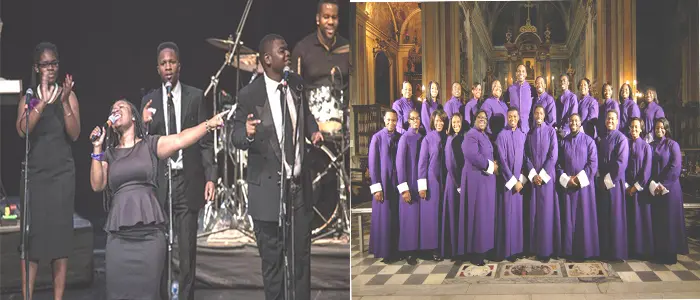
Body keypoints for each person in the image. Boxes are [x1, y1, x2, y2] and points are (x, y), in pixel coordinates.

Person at [90, 99, 225, 299]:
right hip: (119, 238)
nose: (115, 110)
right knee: (117, 293)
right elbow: (97, 185)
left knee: (148, 293)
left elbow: (180, 139)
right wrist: (96, 148)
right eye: (113, 109)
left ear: (134, 116)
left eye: (121, 107)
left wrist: (208, 124)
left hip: (149, 236)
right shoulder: (108, 154)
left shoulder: (150, 145)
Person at [231, 34, 323, 299]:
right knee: (272, 265)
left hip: (297, 191)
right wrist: (247, 133)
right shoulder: (250, 94)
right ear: (267, 59)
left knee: (301, 261)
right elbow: (235, 136)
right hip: (267, 192)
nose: (288, 53)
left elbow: (306, 115)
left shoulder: (295, 84)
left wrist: (313, 131)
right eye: (283, 50)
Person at [140, 41, 217, 300]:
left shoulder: (195, 97)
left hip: (187, 180)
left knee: (187, 251)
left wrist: (211, 177)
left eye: (172, 62)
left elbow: (205, 142)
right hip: (161, 184)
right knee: (160, 249)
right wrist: (144, 125)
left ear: (179, 66)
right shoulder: (148, 101)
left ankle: (186, 296)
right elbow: (143, 145)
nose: (168, 67)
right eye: (163, 63)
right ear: (157, 68)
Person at [15, 42, 81, 300]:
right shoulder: (28, 98)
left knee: (60, 243)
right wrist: (41, 104)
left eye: (54, 63)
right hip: (35, 177)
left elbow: (74, 134)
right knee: (30, 242)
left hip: (61, 177)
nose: (51, 69)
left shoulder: (69, 96)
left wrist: (63, 102)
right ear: (36, 67)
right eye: (46, 64)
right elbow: (23, 130)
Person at [557, 114, 599, 260]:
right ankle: (568, 251)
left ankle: (585, 250)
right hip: (569, 186)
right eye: (571, 121)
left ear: (580, 123)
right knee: (568, 219)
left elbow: (593, 163)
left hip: (583, 188)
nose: (573, 123)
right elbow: (559, 163)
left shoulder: (589, 141)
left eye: (576, 121)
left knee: (584, 219)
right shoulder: (564, 142)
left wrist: (579, 179)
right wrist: (566, 179)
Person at [460, 110, 498, 265]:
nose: (482, 120)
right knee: (478, 216)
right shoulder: (471, 134)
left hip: (485, 180)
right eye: (479, 118)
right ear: (474, 120)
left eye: (485, 118)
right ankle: (476, 253)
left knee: (485, 216)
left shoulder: (484, 136)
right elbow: (473, 155)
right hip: (476, 180)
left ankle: (485, 249)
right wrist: (491, 166)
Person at [649, 118, 688, 264]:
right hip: (655, 189)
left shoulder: (673, 145)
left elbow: (675, 166)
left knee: (670, 221)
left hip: (670, 188)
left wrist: (663, 184)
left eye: (662, 127)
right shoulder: (651, 145)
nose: (659, 130)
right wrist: (654, 184)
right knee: (658, 220)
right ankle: (659, 251)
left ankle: (671, 253)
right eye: (657, 128)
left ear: (666, 128)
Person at [525, 105, 560, 261]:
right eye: (536, 113)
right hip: (534, 179)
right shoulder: (530, 133)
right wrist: (533, 173)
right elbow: (526, 156)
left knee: (546, 214)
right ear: (533, 115)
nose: (538, 115)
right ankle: (533, 247)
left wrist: (542, 174)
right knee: (533, 213)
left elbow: (553, 155)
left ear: (545, 115)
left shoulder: (551, 131)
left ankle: (546, 250)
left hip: (546, 178)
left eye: (541, 113)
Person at [368, 110, 402, 262]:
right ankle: (385, 252)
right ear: (384, 120)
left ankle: (396, 249)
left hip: (396, 183)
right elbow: (373, 164)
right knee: (384, 218)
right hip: (383, 183)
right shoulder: (377, 138)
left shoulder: (400, 137)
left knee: (395, 216)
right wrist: (376, 188)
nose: (391, 123)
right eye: (388, 120)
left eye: (394, 120)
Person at [494, 108, 527, 261]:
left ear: (518, 118)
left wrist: (521, 180)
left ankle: (517, 249)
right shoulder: (501, 135)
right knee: (506, 216)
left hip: (519, 184)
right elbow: (502, 160)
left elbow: (525, 160)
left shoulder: (522, 135)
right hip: (507, 184)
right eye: (510, 116)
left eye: (515, 116)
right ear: (507, 118)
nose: (512, 118)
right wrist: (513, 181)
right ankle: (506, 250)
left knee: (518, 218)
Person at [596, 110, 629, 261]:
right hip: (603, 183)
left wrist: (606, 181)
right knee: (604, 216)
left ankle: (616, 253)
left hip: (614, 184)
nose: (609, 121)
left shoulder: (621, 139)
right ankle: (605, 251)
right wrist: (600, 179)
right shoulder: (603, 139)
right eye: (608, 118)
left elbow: (620, 163)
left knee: (615, 217)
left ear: (617, 122)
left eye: (612, 119)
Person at [417, 109, 448, 261]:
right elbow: (422, 163)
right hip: (431, 180)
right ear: (432, 122)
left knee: (442, 214)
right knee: (432, 216)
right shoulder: (427, 139)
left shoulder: (447, 137)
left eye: (441, 121)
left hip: (444, 180)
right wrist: (422, 186)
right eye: (436, 121)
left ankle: (442, 246)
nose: (439, 123)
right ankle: (432, 249)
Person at [396, 109, 423, 265]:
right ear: (408, 121)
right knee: (408, 219)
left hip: (419, 183)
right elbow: (399, 165)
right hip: (409, 184)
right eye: (412, 119)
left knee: (417, 220)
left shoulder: (422, 136)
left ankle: (417, 248)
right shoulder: (404, 138)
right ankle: (408, 251)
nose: (415, 121)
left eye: (417, 118)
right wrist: (404, 189)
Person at [626, 117, 653, 260]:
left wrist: (635, 188)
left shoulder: (646, 146)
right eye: (632, 127)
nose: (634, 130)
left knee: (640, 219)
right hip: (627, 188)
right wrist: (626, 186)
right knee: (629, 218)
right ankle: (630, 248)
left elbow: (646, 171)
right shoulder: (626, 143)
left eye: (636, 127)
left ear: (641, 129)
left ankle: (641, 250)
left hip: (640, 190)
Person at [443, 113, 464, 258]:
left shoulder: (462, 138)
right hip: (453, 182)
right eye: (454, 122)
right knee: (453, 215)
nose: (456, 124)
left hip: (461, 181)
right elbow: (450, 164)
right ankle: (454, 251)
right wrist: (458, 185)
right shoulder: (450, 139)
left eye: (459, 122)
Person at [504, 64, 536, 133]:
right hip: (513, 126)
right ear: (516, 74)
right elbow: (504, 105)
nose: (521, 73)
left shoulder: (532, 89)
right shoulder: (510, 89)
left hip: (527, 127)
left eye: (523, 71)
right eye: (519, 71)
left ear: (526, 74)